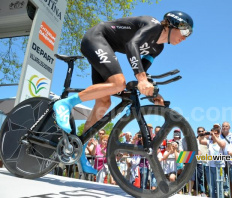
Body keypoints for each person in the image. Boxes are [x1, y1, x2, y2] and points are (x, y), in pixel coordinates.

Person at [52, 11, 194, 174]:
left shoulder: (158, 48)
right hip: (97, 38)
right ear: (171, 24)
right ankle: (65, 104)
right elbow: (131, 45)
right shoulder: (153, 26)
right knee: (118, 83)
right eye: (184, 31)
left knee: (104, 102)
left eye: (188, 34)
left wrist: (152, 92)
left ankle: (80, 149)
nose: (185, 37)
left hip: (106, 49)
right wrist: (141, 79)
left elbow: (142, 71)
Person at [200, 127, 226, 198]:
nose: (213, 134)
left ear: (219, 134)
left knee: (219, 187)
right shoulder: (209, 142)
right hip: (209, 167)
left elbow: (222, 145)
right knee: (211, 187)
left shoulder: (222, 140)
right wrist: (202, 134)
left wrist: (214, 136)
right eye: (212, 133)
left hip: (219, 167)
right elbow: (200, 141)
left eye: (215, 133)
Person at [220, 122, 232, 197]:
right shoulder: (219, 136)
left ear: (229, 127)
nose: (224, 127)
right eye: (223, 126)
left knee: (231, 179)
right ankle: (222, 194)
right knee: (221, 177)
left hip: (231, 161)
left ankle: (231, 195)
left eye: (226, 126)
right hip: (221, 161)